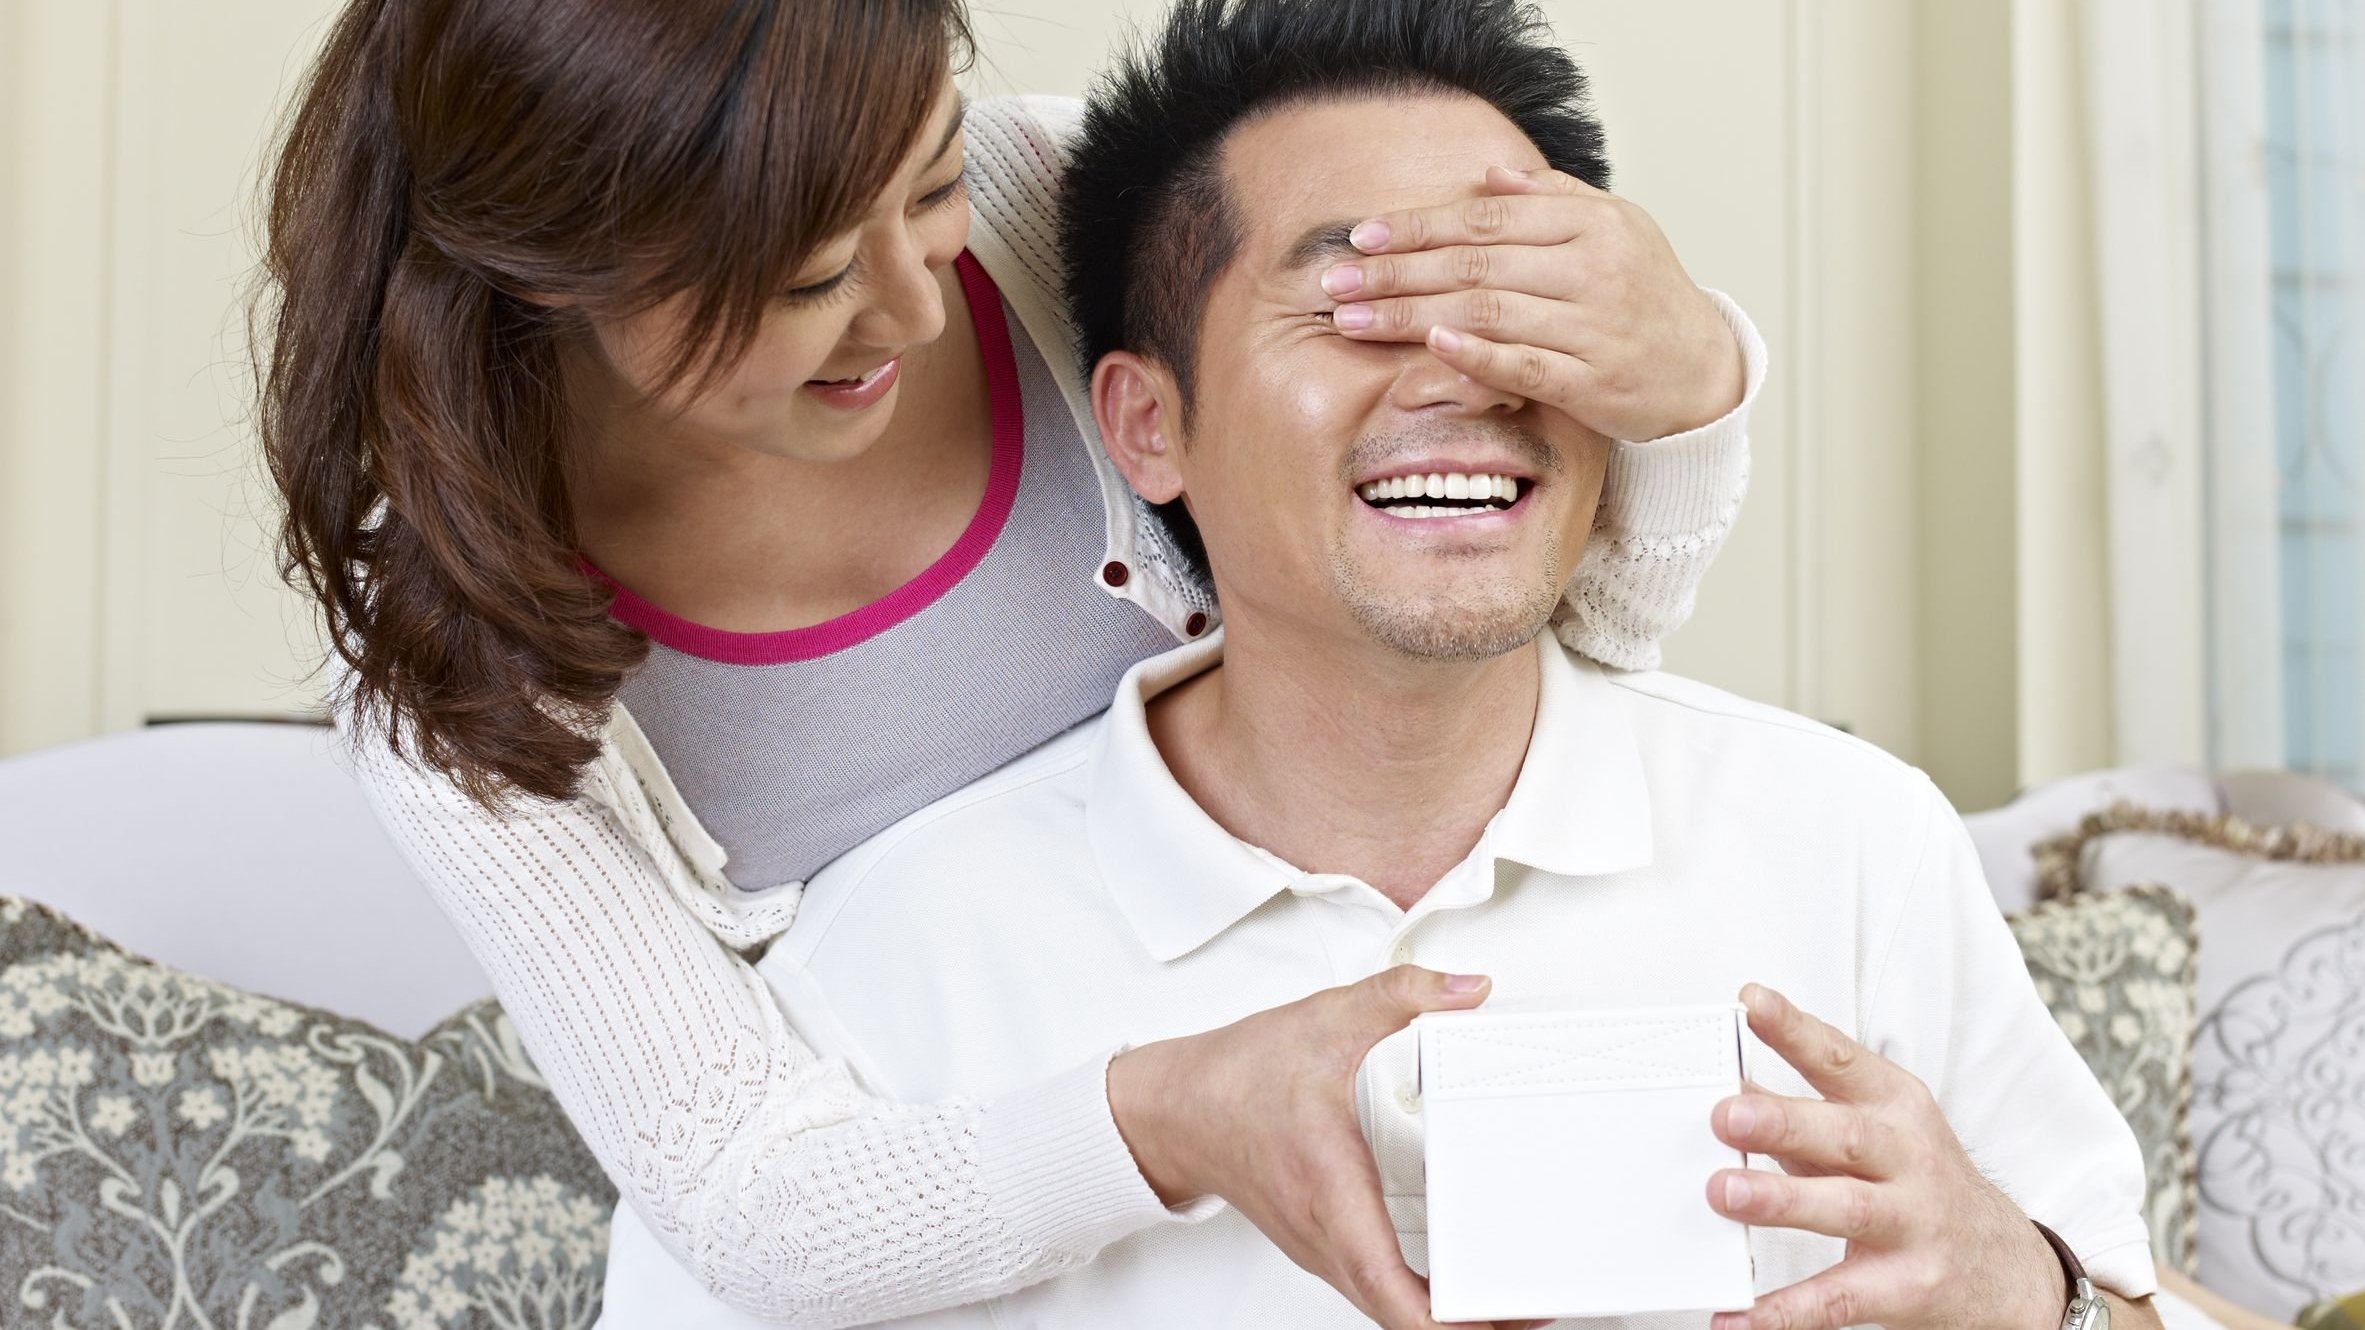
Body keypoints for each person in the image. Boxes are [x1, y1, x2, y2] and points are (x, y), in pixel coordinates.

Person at [593, 1, 2167, 1326]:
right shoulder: (894, 964)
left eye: (1519, 297)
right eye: (1356, 300)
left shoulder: (1847, 841)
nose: (1461, 370)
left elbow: (2132, 1293)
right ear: (1147, 423)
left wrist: (2035, 1291)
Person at [255, 0, 1761, 1326]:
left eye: (929, 186)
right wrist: (1179, 1113)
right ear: (548, 273)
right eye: (803, 280)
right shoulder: (450, 649)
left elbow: (1549, 646)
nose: (914, 309)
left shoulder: (1047, 199)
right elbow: (744, 1196)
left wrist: (1693, 380)